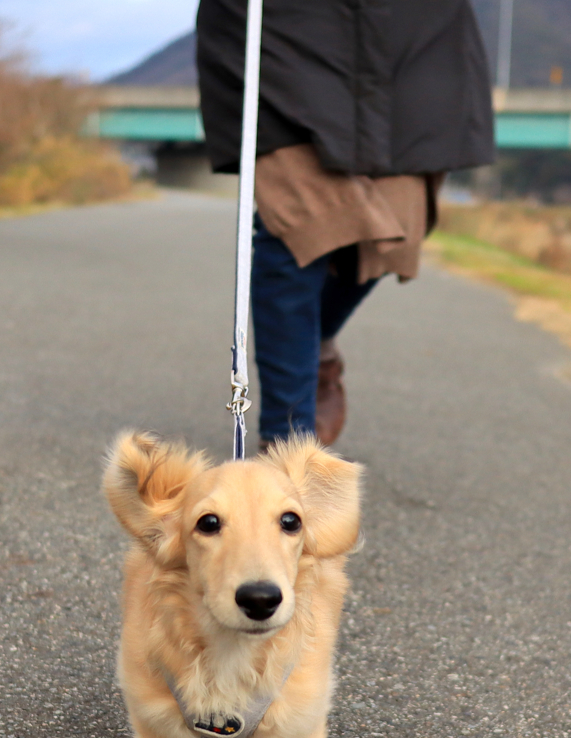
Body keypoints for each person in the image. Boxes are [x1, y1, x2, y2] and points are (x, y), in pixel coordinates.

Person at [196, 0, 494, 448]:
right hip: (284, 26)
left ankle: (314, 348)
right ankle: (288, 447)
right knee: (300, 231)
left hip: (411, 29)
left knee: (393, 229)